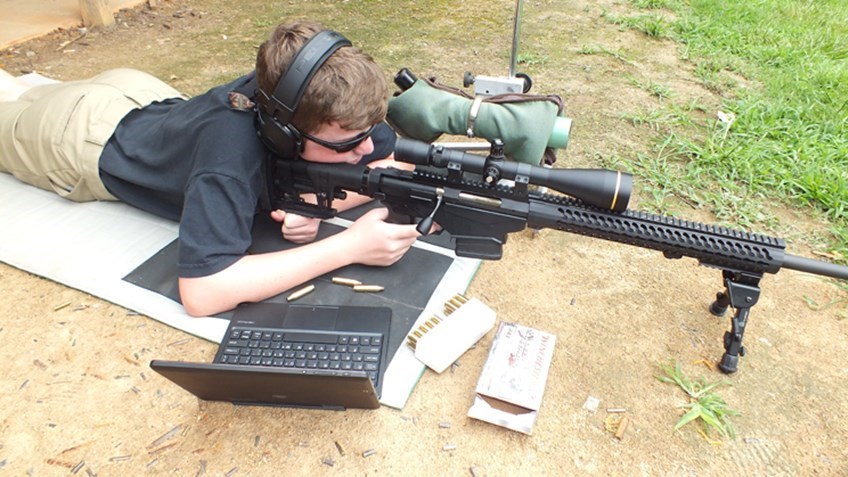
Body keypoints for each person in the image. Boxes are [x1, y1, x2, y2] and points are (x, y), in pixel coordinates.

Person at [0, 20, 422, 317]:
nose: (366, 147)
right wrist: (348, 247)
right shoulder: (228, 161)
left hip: (138, 95)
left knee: (20, 89)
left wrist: (313, 202)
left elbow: (392, 160)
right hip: (73, 138)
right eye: (347, 143)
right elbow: (203, 293)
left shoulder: (302, 96)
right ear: (285, 134)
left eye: (368, 130)